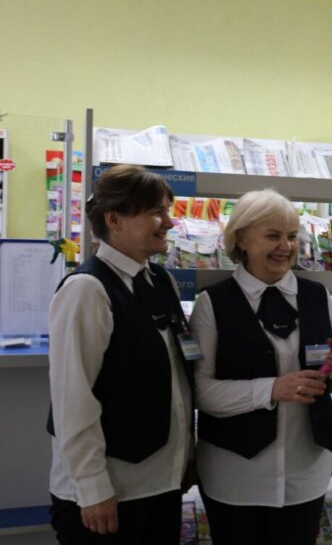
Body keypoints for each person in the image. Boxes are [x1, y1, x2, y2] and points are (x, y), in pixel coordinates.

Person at [191, 189, 332, 545]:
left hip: (306, 473)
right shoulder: (211, 304)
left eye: (292, 236)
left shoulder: (318, 297)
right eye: (273, 236)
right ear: (242, 239)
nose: (286, 246)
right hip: (235, 477)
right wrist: (271, 389)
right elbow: (201, 391)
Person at [47, 164, 194, 544]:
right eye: (157, 212)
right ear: (114, 220)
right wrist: (93, 488)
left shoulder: (159, 280)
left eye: (167, 211)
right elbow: (72, 400)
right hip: (109, 494)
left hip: (161, 484)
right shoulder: (87, 289)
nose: (169, 223)